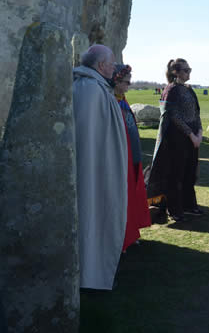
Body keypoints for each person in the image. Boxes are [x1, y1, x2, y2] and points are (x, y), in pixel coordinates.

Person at [73, 44, 127, 290]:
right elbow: (86, 136)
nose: (114, 67)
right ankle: (88, 273)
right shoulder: (88, 90)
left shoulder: (97, 87)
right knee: (91, 212)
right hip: (92, 168)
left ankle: (95, 270)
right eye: (112, 63)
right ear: (101, 64)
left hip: (101, 164)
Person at [146, 59, 203, 222]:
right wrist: (190, 135)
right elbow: (172, 115)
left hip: (192, 138)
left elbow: (196, 113)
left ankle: (189, 205)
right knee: (175, 174)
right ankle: (175, 209)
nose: (189, 73)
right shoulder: (170, 89)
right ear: (175, 72)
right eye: (186, 70)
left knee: (190, 172)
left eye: (189, 69)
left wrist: (199, 132)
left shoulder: (188, 89)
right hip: (177, 139)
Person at [112, 64, 152, 250]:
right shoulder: (111, 101)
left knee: (132, 193)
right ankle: (121, 237)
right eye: (126, 82)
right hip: (121, 157)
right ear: (116, 81)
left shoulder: (122, 100)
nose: (129, 85)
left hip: (133, 154)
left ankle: (131, 231)